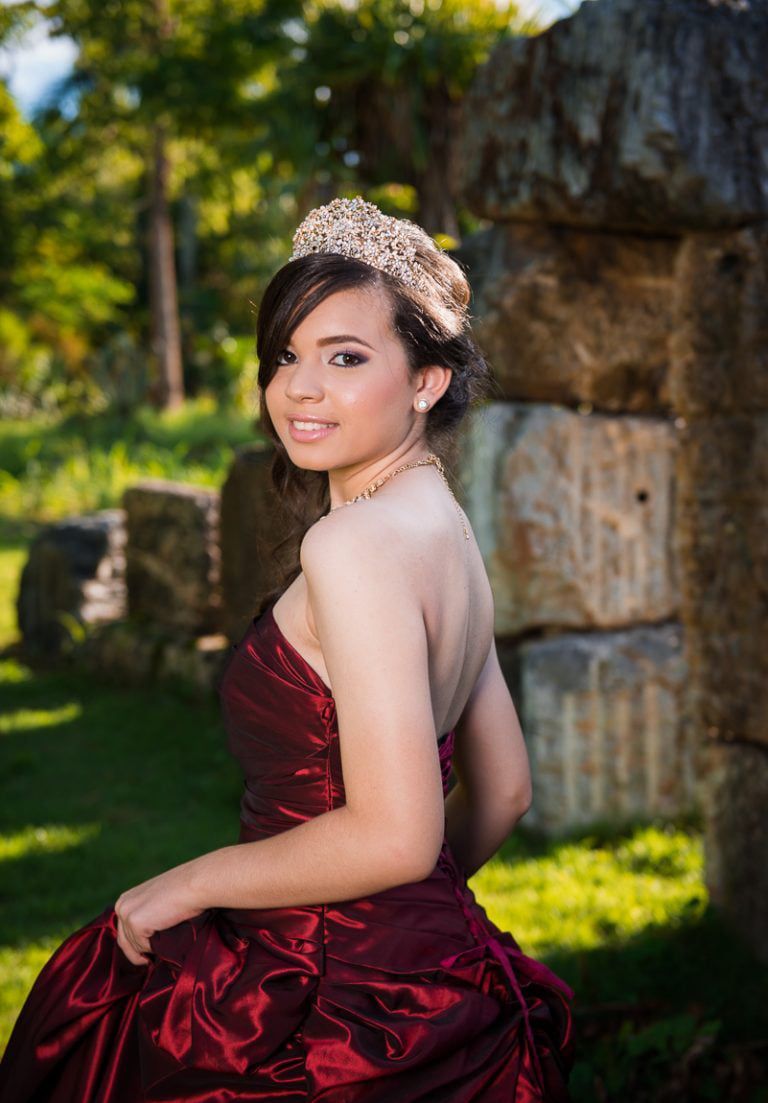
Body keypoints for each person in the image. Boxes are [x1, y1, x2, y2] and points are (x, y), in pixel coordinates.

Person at [0, 195, 575, 1101]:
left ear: (426, 380)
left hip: (323, 1001)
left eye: (345, 357)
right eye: (286, 355)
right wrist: (411, 928)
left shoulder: (352, 544)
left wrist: (184, 887)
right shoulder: (445, 526)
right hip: (431, 976)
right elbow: (503, 790)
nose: (298, 389)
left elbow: (396, 833)